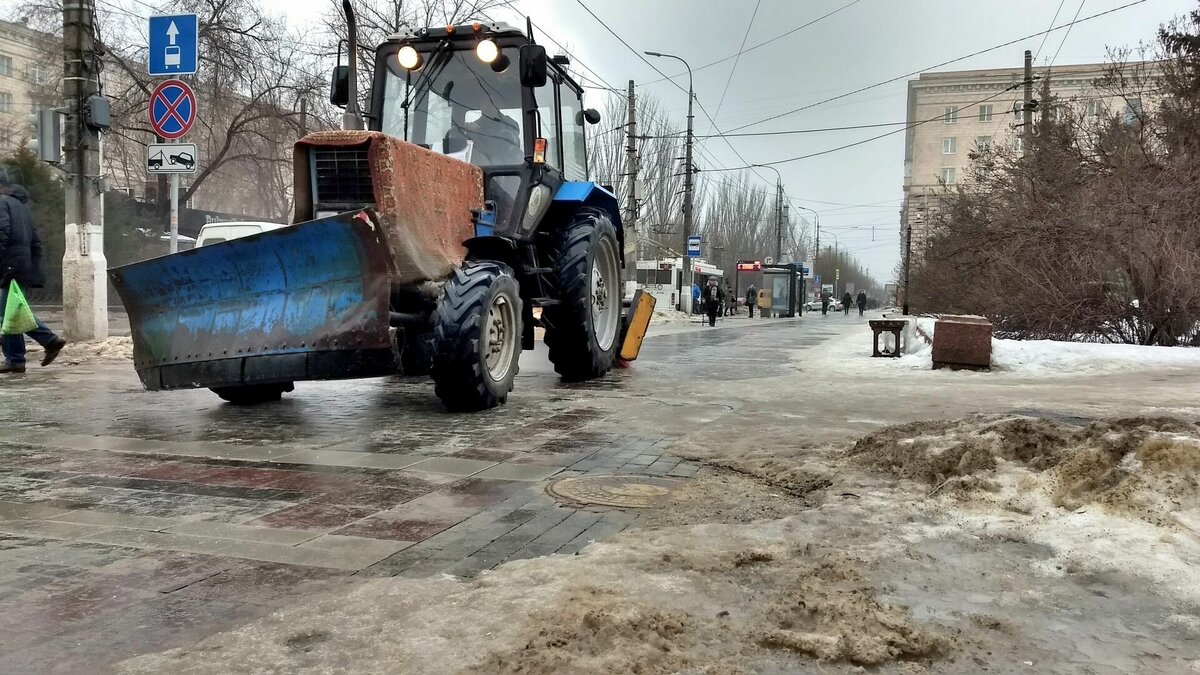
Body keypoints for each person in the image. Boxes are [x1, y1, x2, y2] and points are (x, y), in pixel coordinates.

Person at [0, 167, 67, 374]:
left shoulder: (2, 203)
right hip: (21, 265)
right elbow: (35, 240)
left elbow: (1, 233)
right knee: (11, 311)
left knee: (10, 314)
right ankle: (16, 359)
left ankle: (49, 341)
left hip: (10, 265)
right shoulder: (20, 205)